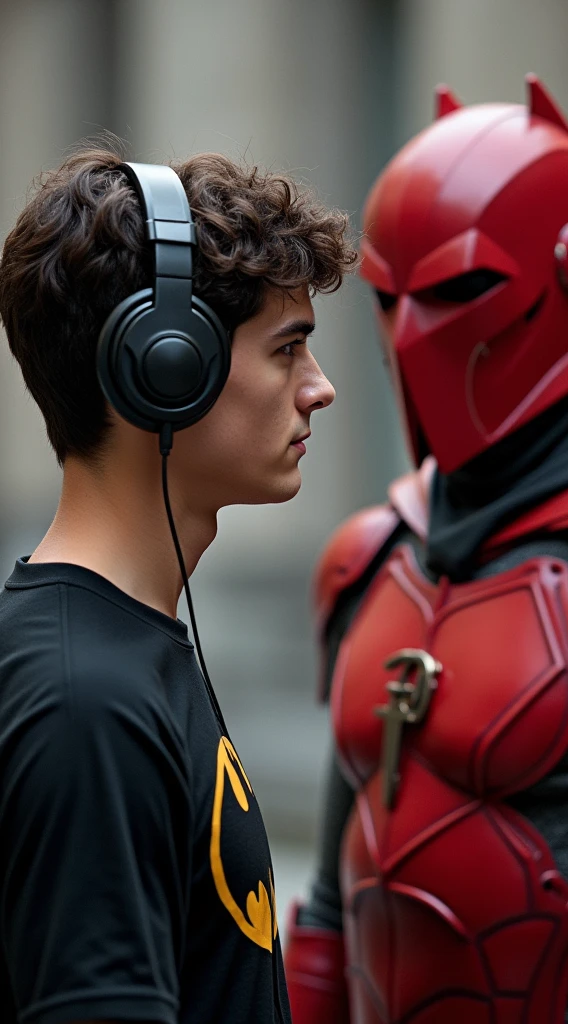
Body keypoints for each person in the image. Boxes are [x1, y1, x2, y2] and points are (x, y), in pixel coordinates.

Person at [285, 76, 568, 1024]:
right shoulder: (372, 556)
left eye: (459, 289)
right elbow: (332, 915)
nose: (416, 332)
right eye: (392, 297)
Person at [0, 148, 356, 1024]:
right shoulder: (87, 705)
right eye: (289, 348)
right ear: (166, 369)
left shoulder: (125, 652)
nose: (322, 389)